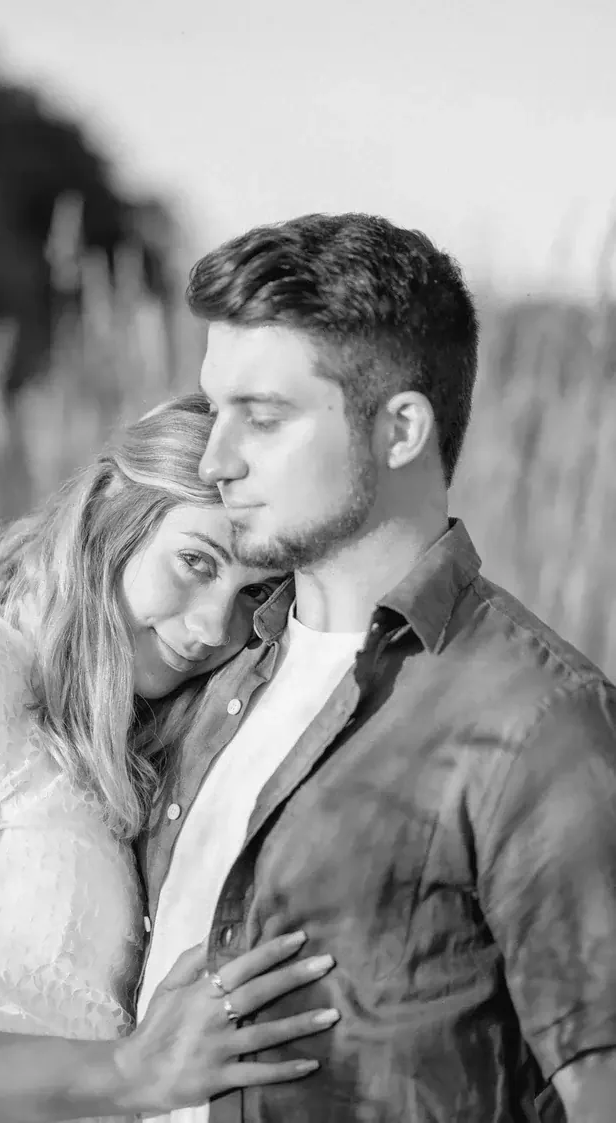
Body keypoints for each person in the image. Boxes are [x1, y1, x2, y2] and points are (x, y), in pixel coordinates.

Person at [136, 213, 616, 1123]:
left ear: (400, 428)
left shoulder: (539, 721)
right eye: (216, 408)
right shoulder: (213, 669)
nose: (215, 458)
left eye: (263, 418)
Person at [0, 394, 341, 1123]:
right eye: (195, 561)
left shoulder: (132, 756)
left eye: (255, 594)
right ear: (116, 514)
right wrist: (127, 1071)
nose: (216, 624)